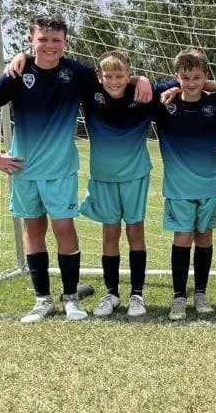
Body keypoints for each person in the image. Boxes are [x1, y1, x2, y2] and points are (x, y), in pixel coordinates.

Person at [0, 17, 149, 323]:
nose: (50, 46)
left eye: (56, 40)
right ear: (32, 40)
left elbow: (112, 76)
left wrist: (140, 80)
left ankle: (70, 298)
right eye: (43, 40)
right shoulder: (17, 73)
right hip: (24, 169)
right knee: (34, 230)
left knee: (64, 228)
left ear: (65, 42)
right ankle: (42, 300)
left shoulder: (76, 73)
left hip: (61, 169)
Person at [154, 49, 216, 321]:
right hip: (178, 188)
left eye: (197, 77)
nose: (191, 82)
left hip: (209, 186)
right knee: (183, 239)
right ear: (177, 78)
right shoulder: (164, 105)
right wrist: (170, 89)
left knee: (205, 238)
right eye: (185, 77)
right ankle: (178, 297)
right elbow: (136, 84)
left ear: (205, 77)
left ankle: (200, 293)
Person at [81, 51, 156, 319]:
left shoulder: (144, 95)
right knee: (110, 234)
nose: (114, 81)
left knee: (135, 233)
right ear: (100, 77)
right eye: (108, 76)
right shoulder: (90, 94)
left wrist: (143, 79)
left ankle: (137, 294)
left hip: (135, 175)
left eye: (120, 75)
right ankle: (111, 293)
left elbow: (179, 89)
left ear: (128, 74)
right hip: (102, 176)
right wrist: (140, 77)